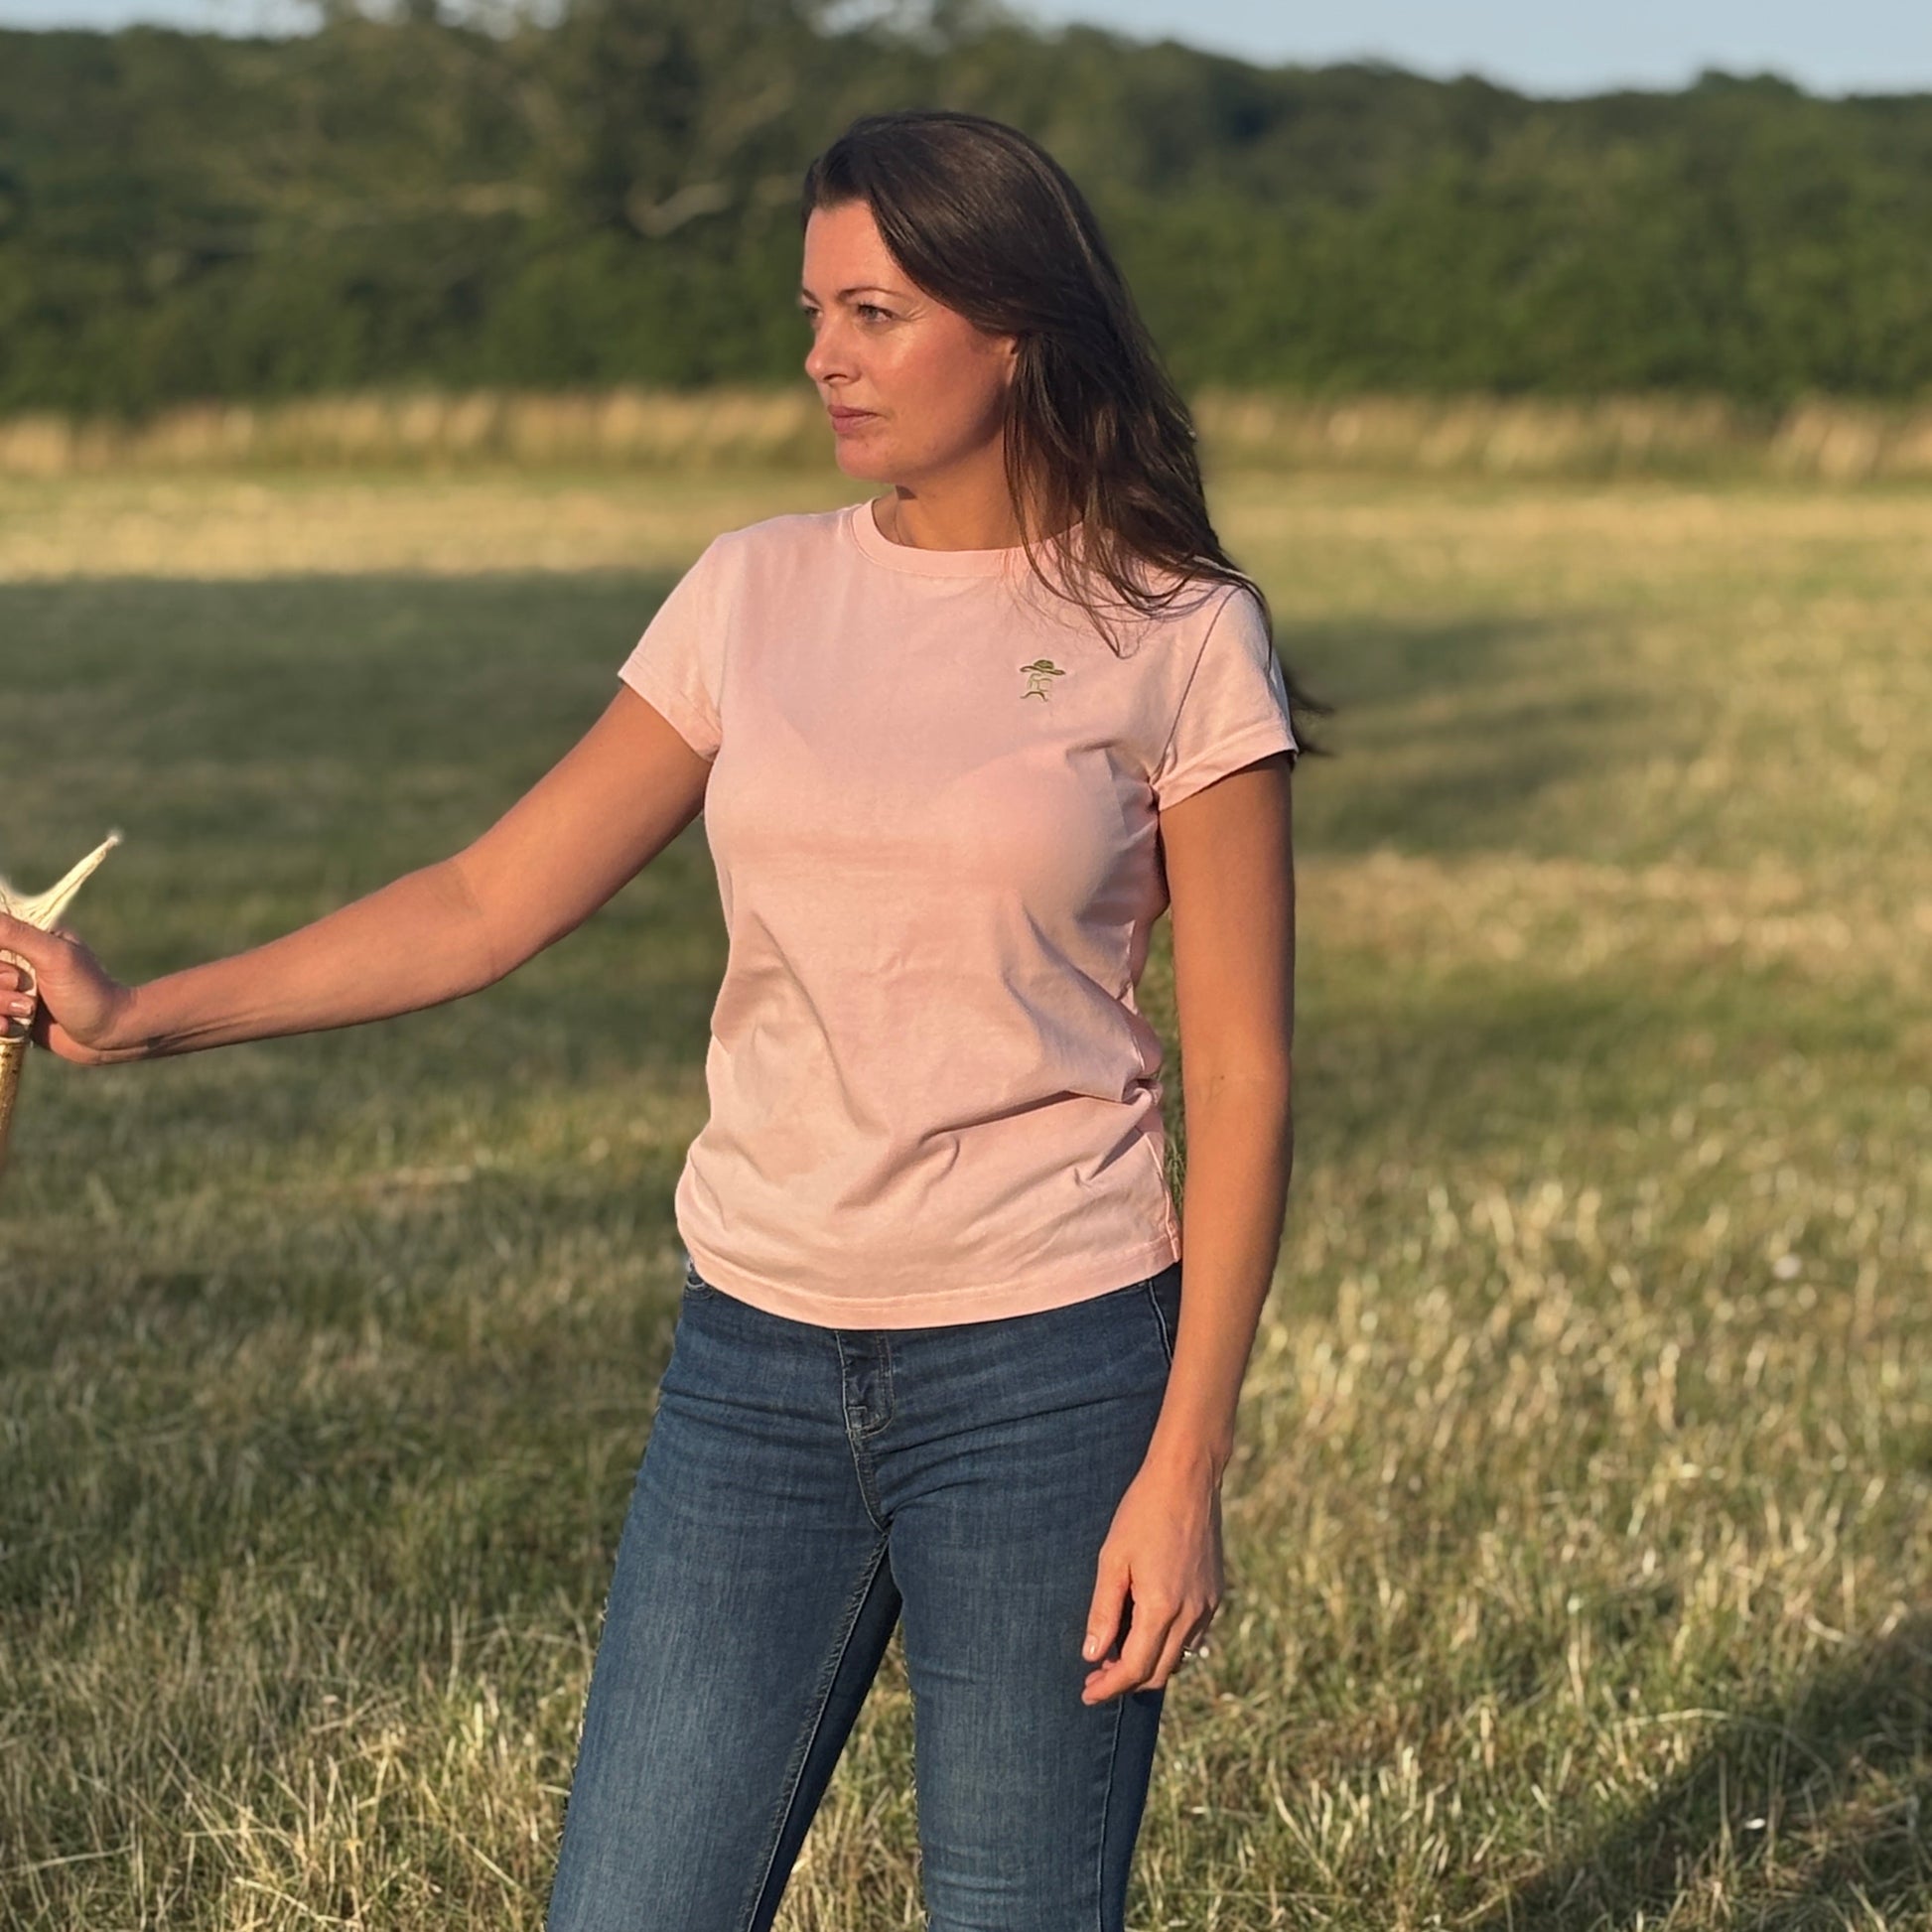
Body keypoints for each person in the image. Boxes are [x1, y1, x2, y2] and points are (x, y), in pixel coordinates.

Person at [0, 109, 1316, 1932]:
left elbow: (1243, 1072)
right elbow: (483, 901)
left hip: (1049, 1372)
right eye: (810, 311)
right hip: (754, 1365)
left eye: (870, 313)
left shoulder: (1177, 631)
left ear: (1011, 325)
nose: (818, 360)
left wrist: (1186, 1467)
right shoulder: (751, 589)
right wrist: (140, 1014)